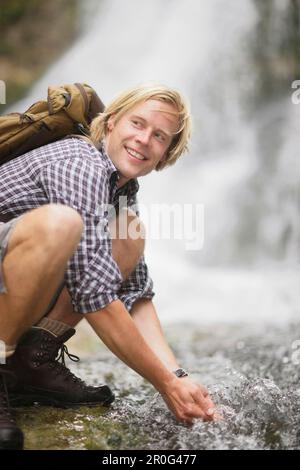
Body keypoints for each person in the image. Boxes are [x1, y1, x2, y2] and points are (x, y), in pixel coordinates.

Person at [0, 83, 216, 450]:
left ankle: (29, 364)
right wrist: (165, 385)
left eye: (159, 136)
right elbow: (94, 294)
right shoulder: (80, 162)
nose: (144, 139)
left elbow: (135, 294)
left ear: (165, 155)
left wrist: (178, 376)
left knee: (127, 234)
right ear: (111, 122)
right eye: (137, 123)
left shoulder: (121, 188)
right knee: (61, 225)